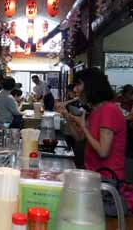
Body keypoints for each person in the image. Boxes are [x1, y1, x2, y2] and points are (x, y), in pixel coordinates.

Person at [55, 68, 131, 209]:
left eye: (79, 85)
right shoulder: (96, 110)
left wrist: (84, 127)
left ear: (90, 86)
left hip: (107, 181)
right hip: (93, 176)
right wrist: (67, 116)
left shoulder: (109, 110)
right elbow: (79, 138)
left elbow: (103, 151)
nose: (76, 90)